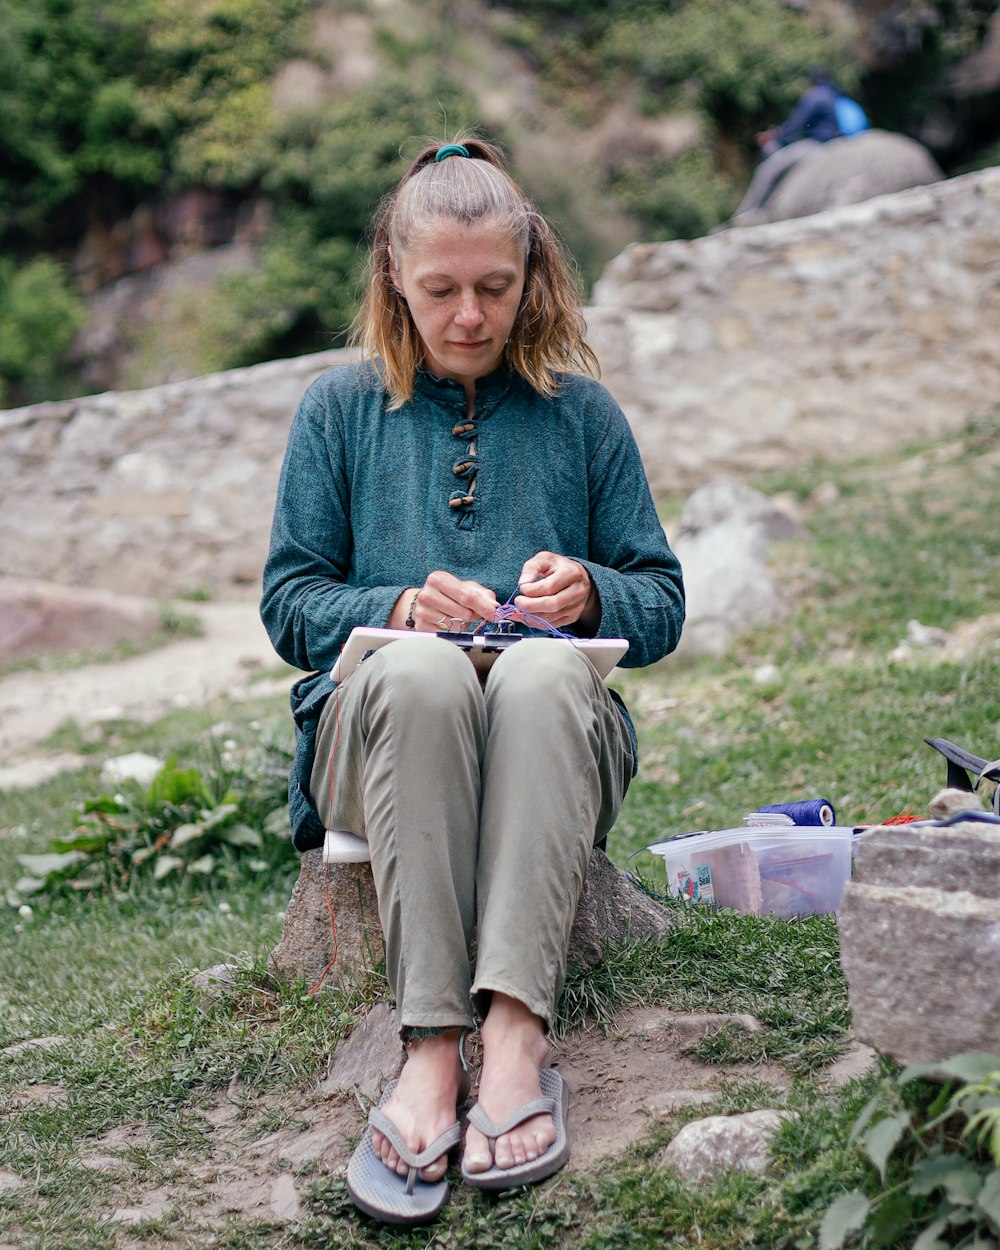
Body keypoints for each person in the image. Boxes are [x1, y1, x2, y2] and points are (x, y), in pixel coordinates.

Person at [260, 135, 685, 1225]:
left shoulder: (582, 416)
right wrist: (395, 609)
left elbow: (663, 602)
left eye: (494, 288)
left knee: (543, 675)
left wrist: (590, 591)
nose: (467, 316)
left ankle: (512, 1037)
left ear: (532, 271)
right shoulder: (336, 411)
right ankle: (429, 1045)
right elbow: (287, 605)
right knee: (422, 676)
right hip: (386, 736)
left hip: (549, 737)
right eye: (440, 289)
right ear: (394, 280)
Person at [732, 70, 847, 222]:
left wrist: (774, 134)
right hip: (834, 142)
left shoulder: (814, 96)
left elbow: (796, 125)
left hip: (817, 144)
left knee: (768, 167)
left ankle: (746, 212)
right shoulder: (832, 95)